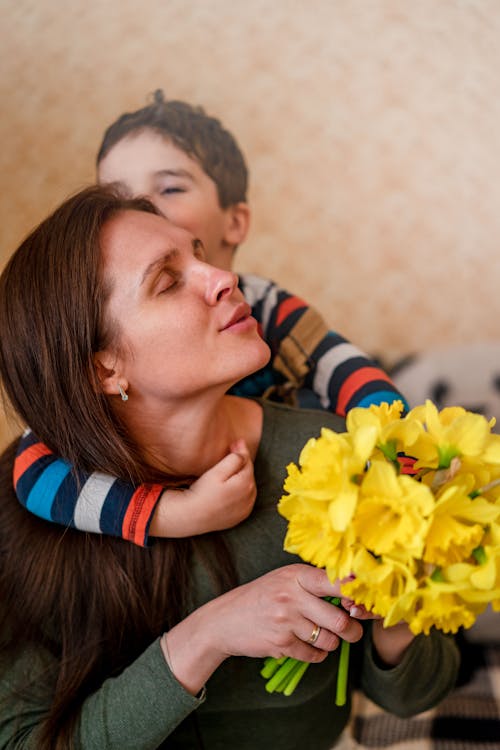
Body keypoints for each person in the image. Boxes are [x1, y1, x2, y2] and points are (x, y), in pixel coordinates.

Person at [0, 186, 459, 749]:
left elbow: (413, 695)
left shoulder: (337, 453)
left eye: (200, 253)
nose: (224, 278)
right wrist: (207, 636)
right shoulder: (37, 508)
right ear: (104, 369)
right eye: (168, 281)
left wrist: (399, 592)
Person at [15, 91, 409, 546]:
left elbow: (343, 369)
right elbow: (34, 469)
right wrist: (171, 514)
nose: (144, 209)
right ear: (103, 367)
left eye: (170, 188)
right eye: (119, 194)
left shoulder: (264, 304)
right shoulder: (79, 427)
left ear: (235, 222)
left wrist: (403, 445)